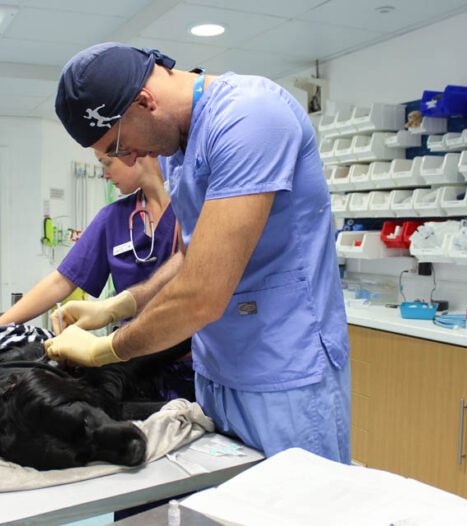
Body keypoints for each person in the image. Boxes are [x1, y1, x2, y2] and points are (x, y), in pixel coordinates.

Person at [46, 43, 351, 463]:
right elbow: (193, 259)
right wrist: (118, 305)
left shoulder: (250, 118)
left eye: (119, 146)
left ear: (144, 101)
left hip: (283, 373)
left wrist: (106, 349)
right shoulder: (176, 148)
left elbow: (202, 293)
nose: (130, 160)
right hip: (217, 372)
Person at [0, 154, 193, 401]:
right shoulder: (113, 218)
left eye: (107, 163)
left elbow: (193, 272)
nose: (106, 175)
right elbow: (61, 280)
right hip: (131, 362)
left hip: (192, 362)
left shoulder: (192, 207)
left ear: (133, 151)